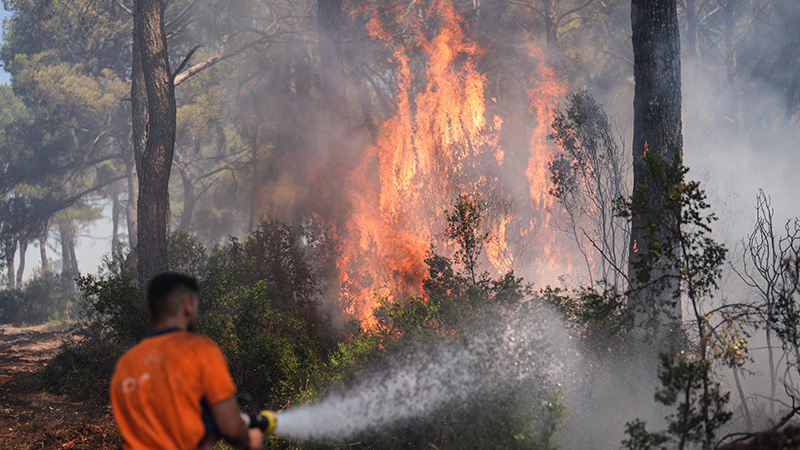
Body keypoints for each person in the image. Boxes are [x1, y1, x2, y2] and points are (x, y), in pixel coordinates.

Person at [110, 272, 263, 450]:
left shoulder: (125, 363)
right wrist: (249, 439)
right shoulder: (201, 350)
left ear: (150, 314)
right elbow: (231, 428)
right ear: (187, 305)